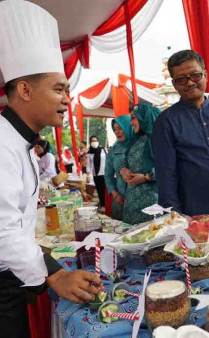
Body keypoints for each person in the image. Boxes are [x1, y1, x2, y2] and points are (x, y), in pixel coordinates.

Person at [0, 1, 102, 336]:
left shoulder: (24, 143)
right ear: (25, 90)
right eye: (58, 89)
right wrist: (55, 275)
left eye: (67, 91)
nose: (65, 100)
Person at [152, 50, 209, 248]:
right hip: (194, 224)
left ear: (205, 75)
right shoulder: (166, 122)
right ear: (174, 84)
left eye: (195, 75)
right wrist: (178, 222)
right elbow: (166, 176)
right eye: (182, 79)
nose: (190, 82)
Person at [121, 103, 160, 225]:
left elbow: (169, 168)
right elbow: (125, 158)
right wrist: (123, 169)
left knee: (151, 238)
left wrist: (146, 177)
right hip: (132, 202)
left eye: (133, 118)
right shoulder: (136, 139)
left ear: (144, 117)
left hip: (151, 204)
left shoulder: (158, 139)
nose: (131, 123)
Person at [104, 115, 134, 220]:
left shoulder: (139, 145)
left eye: (120, 128)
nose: (117, 132)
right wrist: (115, 194)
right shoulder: (114, 150)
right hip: (120, 199)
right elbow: (108, 175)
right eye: (115, 129)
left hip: (138, 199)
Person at [87, 135, 107, 208]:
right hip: (96, 174)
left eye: (95, 141)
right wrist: (88, 175)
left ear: (98, 142)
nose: (94, 142)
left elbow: (108, 160)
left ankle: (107, 204)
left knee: (105, 190)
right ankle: (102, 204)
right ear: (90, 142)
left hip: (104, 173)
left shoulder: (103, 150)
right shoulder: (89, 153)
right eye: (92, 141)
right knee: (99, 190)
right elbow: (88, 165)